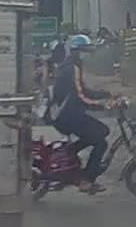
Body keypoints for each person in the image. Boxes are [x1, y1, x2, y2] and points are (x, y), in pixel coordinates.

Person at [49, 34, 118, 194]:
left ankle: (68, 155)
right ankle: (86, 179)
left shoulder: (72, 65)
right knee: (101, 140)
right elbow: (81, 96)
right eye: (85, 51)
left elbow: (83, 90)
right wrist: (102, 105)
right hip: (66, 116)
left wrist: (104, 94)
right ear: (77, 51)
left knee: (100, 133)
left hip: (66, 114)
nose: (88, 55)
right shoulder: (72, 68)